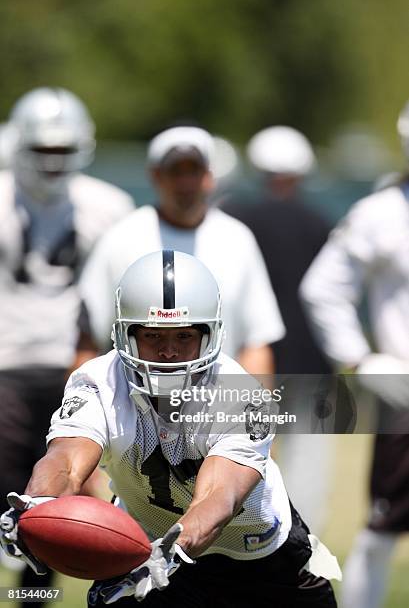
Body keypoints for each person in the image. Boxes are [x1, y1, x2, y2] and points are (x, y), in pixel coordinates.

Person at [1, 250, 340, 607]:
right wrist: (38, 504)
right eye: (153, 336)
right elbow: (66, 460)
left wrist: (170, 551)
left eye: (183, 337)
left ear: (210, 336)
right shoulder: (98, 381)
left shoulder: (242, 397)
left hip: (263, 562)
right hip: (146, 550)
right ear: (125, 335)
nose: (168, 353)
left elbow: (218, 498)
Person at [0, 87, 134, 598]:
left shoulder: (110, 207)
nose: (53, 162)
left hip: (76, 368)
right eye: (43, 151)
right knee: (12, 494)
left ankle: (34, 594)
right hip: (6, 363)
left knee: (59, 500)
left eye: (62, 150)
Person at [300, 101, 409, 608]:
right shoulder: (381, 213)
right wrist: (358, 360)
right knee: (383, 526)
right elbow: (323, 287)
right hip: (404, 392)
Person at [77, 125, 285, 376]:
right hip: (132, 406)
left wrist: (252, 409)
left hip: (214, 405)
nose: (185, 182)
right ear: (155, 175)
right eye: (175, 171)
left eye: (193, 171)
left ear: (208, 176)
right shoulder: (121, 238)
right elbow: (87, 341)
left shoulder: (237, 239)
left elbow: (256, 342)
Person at [221, 126, 333, 532]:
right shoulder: (321, 223)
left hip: (251, 362)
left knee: (242, 458)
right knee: (309, 468)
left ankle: (246, 543)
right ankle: (303, 552)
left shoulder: (235, 221)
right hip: (312, 364)